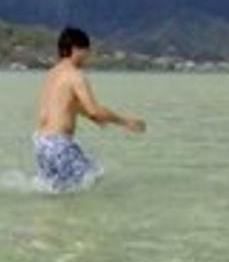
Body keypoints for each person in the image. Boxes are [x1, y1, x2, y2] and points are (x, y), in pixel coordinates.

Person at [33, 25, 145, 192]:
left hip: (42, 144)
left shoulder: (52, 73)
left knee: (59, 192)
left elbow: (71, 105)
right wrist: (125, 122)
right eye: (86, 51)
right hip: (59, 145)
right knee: (94, 178)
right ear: (76, 49)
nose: (88, 56)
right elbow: (94, 110)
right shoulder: (75, 75)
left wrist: (95, 118)